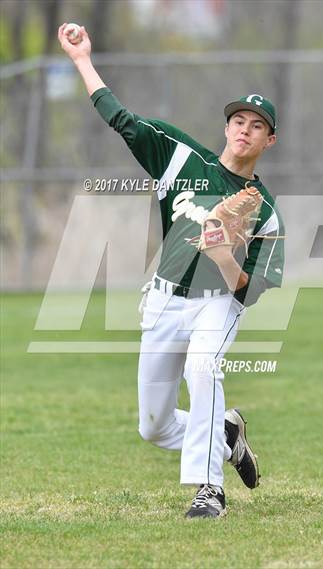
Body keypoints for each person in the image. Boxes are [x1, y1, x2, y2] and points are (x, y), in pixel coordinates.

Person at [58, 23, 285, 519]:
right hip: (162, 300)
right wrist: (81, 60)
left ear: (269, 140)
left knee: (203, 370)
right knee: (154, 426)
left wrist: (224, 255)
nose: (244, 129)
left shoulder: (264, 211)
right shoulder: (178, 156)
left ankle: (210, 491)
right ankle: (225, 437)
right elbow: (120, 118)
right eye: (238, 121)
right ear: (226, 128)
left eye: (256, 125)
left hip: (216, 304)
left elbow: (252, 293)